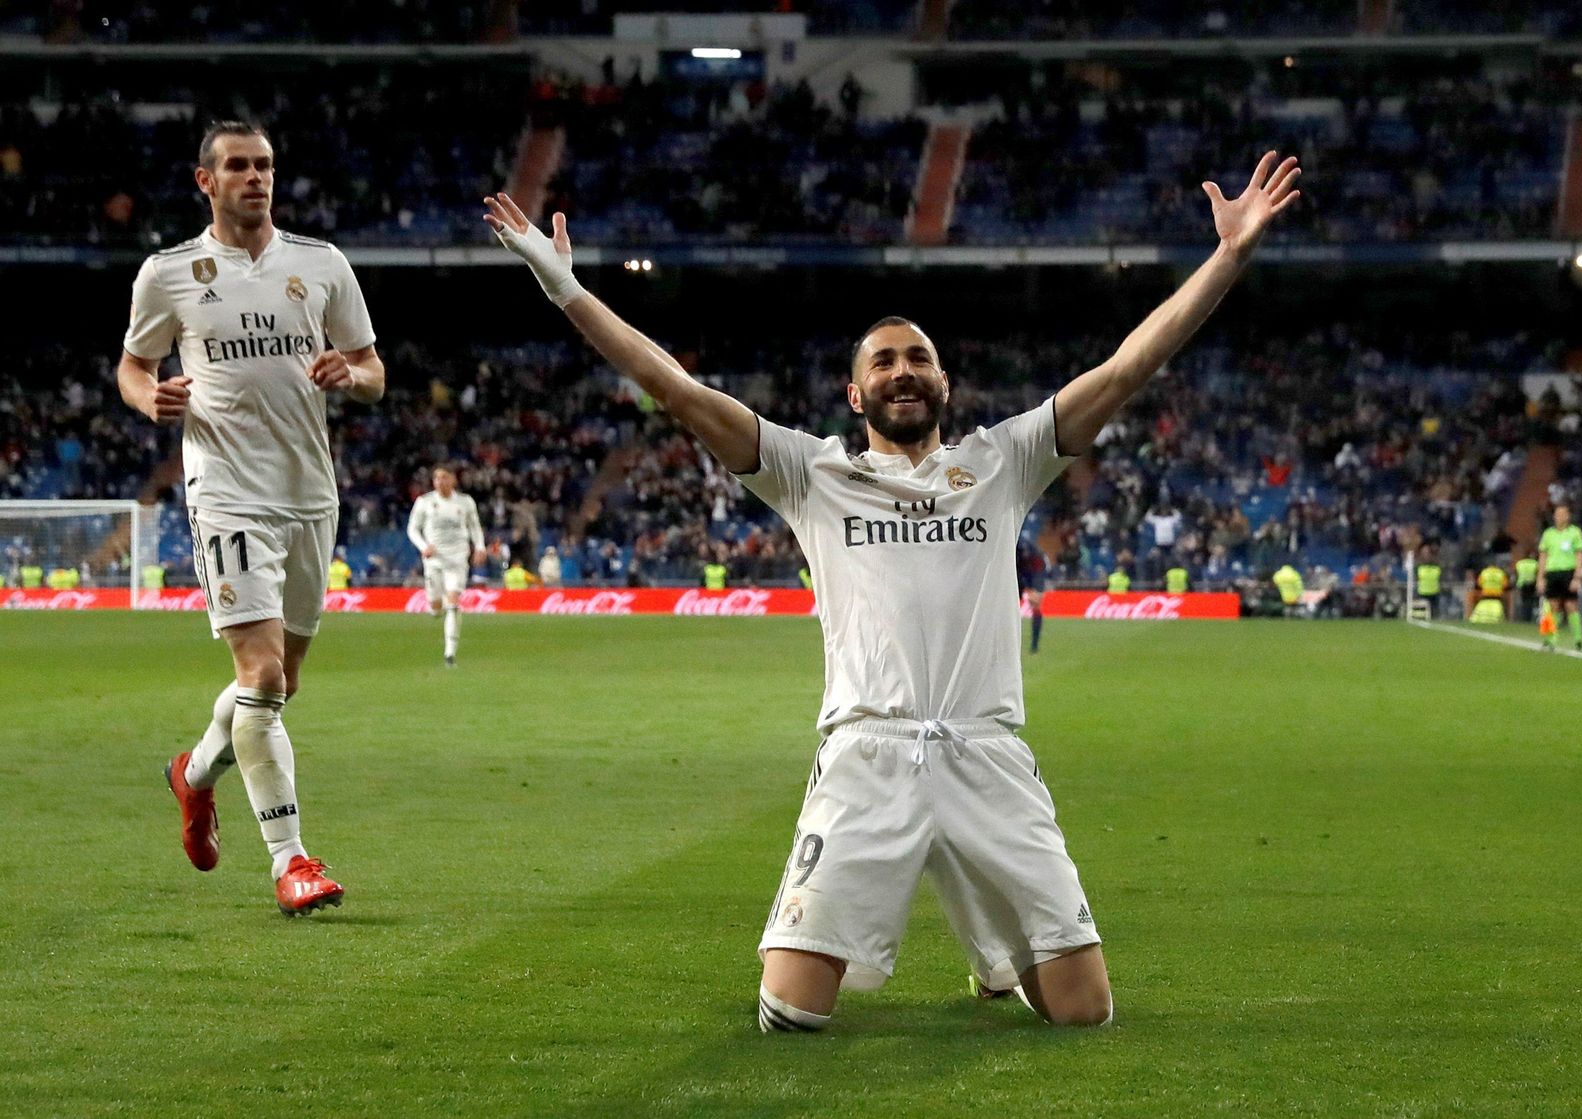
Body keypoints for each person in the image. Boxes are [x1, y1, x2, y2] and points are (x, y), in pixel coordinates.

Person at [482, 147, 1301, 1031]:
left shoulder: (1003, 460)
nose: (903, 370)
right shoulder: (809, 471)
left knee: (1084, 1012)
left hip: (985, 754)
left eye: (918, 358)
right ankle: (980, 934)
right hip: (867, 756)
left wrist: (1229, 256)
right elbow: (672, 389)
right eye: (884, 361)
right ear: (855, 389)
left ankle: (1000, 947)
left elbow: (1127, 368)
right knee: (790, 1015)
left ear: (944, 381)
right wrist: (564, 287)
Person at [120, 120, 383, 915]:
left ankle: (194, 775)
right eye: (237, 166)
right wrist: (149, 397)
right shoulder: (169, 274)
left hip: (310, 492)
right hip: (226, 490)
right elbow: (134, 366)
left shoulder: (322, 264)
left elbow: (374, 369)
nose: (255, 177)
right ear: (207, 181)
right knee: (261, 676)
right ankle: (291, 861)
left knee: (281, 681)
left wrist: (351, 372)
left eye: (264, 164)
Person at [407, 464, 487, 667]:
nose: (440, 482)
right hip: (434, 559)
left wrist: (479, 547)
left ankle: (449, 654)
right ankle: (435, 605)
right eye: (436, 478)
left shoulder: (465, 502)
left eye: (444, 477)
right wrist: (423, 546)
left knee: (453, 601)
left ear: (453, 480)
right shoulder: (425, 502)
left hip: (458, 558)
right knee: (435, 606)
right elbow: (412, 529)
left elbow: (474, 526)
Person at [1536, 504, 1582, 651]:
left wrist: (1577, 577)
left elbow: (1579, 554)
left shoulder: (1575, 532)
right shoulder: (1548, 534)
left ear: (1568, 516)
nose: (1560, 517)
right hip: (1552, 573)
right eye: (1557, 514)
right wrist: (1540, 577)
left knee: (1571, 605)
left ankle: (1578, 640)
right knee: (1552, 606)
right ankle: (1551, 640)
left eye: (1563, 514)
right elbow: (1543, 556)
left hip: (1568, 572)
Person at [1513, 548, 1539, 623]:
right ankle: (1529, 617)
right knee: (1530, 601)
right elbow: (1537, 573)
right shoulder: (1535, 563)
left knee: (1523, 601)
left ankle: (1523, 617)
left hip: (1522, 584)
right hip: (1532, 584)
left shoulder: (1520, 563)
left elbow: (1516, 574)